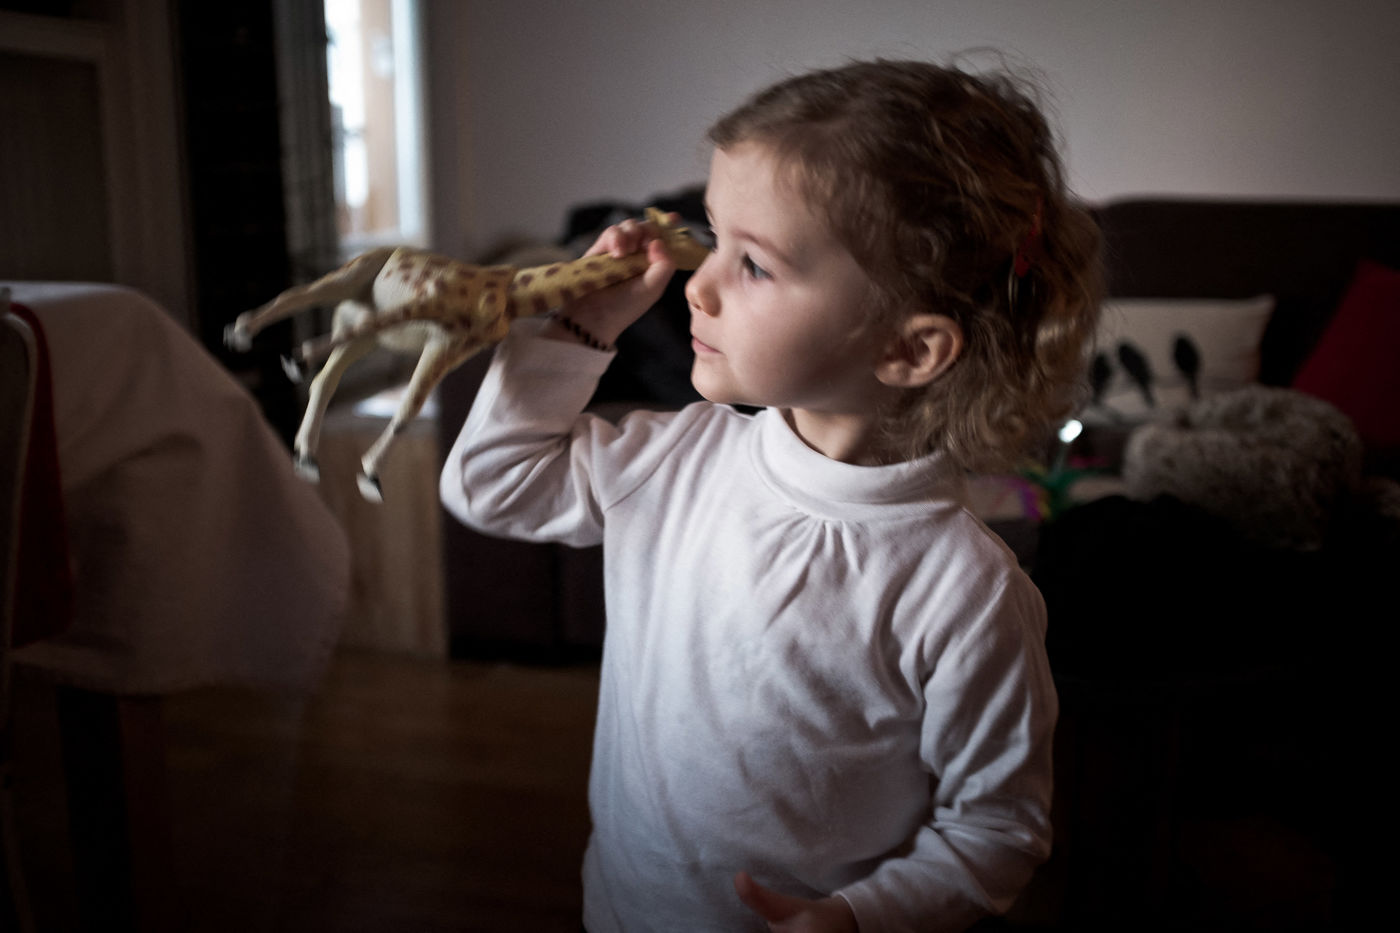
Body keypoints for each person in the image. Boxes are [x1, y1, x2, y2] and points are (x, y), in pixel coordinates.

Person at [441, 58, 1101, 932]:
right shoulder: (675, 460)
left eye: (753, 264)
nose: (698, 284)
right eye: (712, 237)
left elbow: (997, 828)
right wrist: (577, 330)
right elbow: (490, 484)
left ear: (908, 350)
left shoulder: (964, 591)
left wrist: (858, 916)